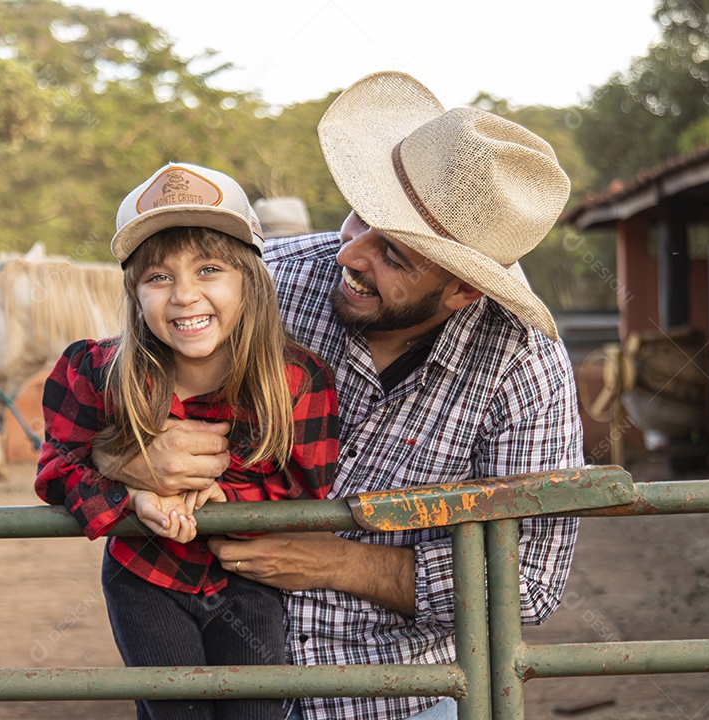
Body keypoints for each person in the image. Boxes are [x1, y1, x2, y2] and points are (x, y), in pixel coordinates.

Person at [102, 72, 584, 720]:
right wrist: (131, 457)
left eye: (394, 252)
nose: (350, 253)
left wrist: (337, 563)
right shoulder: (266, 280)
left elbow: (529, 585)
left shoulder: (524, 366)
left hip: (403, 699)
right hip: (225, 681)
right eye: (361, 212)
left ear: (464, 290)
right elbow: (104, 399)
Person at [34, 162, 339, 720]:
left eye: (209, 269)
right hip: (145, 576)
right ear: (133, 291)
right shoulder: (94, 371)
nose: (183, 295)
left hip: (249, 582)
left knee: (257, 713)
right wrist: (133, 497)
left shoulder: (296, 381)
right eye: (158, 277)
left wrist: (227, 501)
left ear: (250, 278)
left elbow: (309, 496)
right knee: (175, 712)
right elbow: (56, 468)